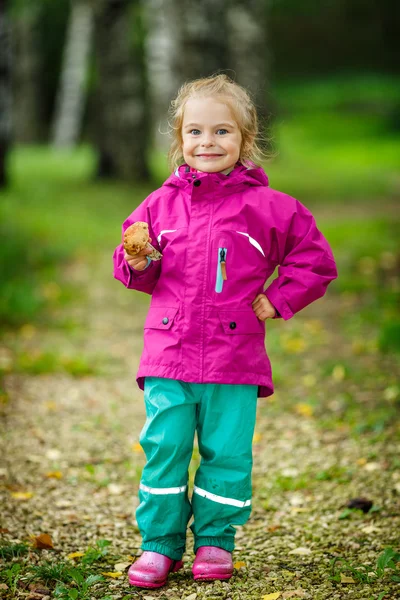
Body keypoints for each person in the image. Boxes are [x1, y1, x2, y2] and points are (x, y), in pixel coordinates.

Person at [113, 74, 338, 589]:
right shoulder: (158, 205)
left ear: (246, 139)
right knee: (165, 448)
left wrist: (279, 299)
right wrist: (139, 259)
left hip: (235, 358)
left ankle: (216, 539)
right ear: (179, 139)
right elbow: (131, 268)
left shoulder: (272, 209)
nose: (207, 143)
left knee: (228, 453)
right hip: (168, 354)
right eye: (195, 132)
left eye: (222, 132)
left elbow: (315, 262)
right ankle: (159, 545)